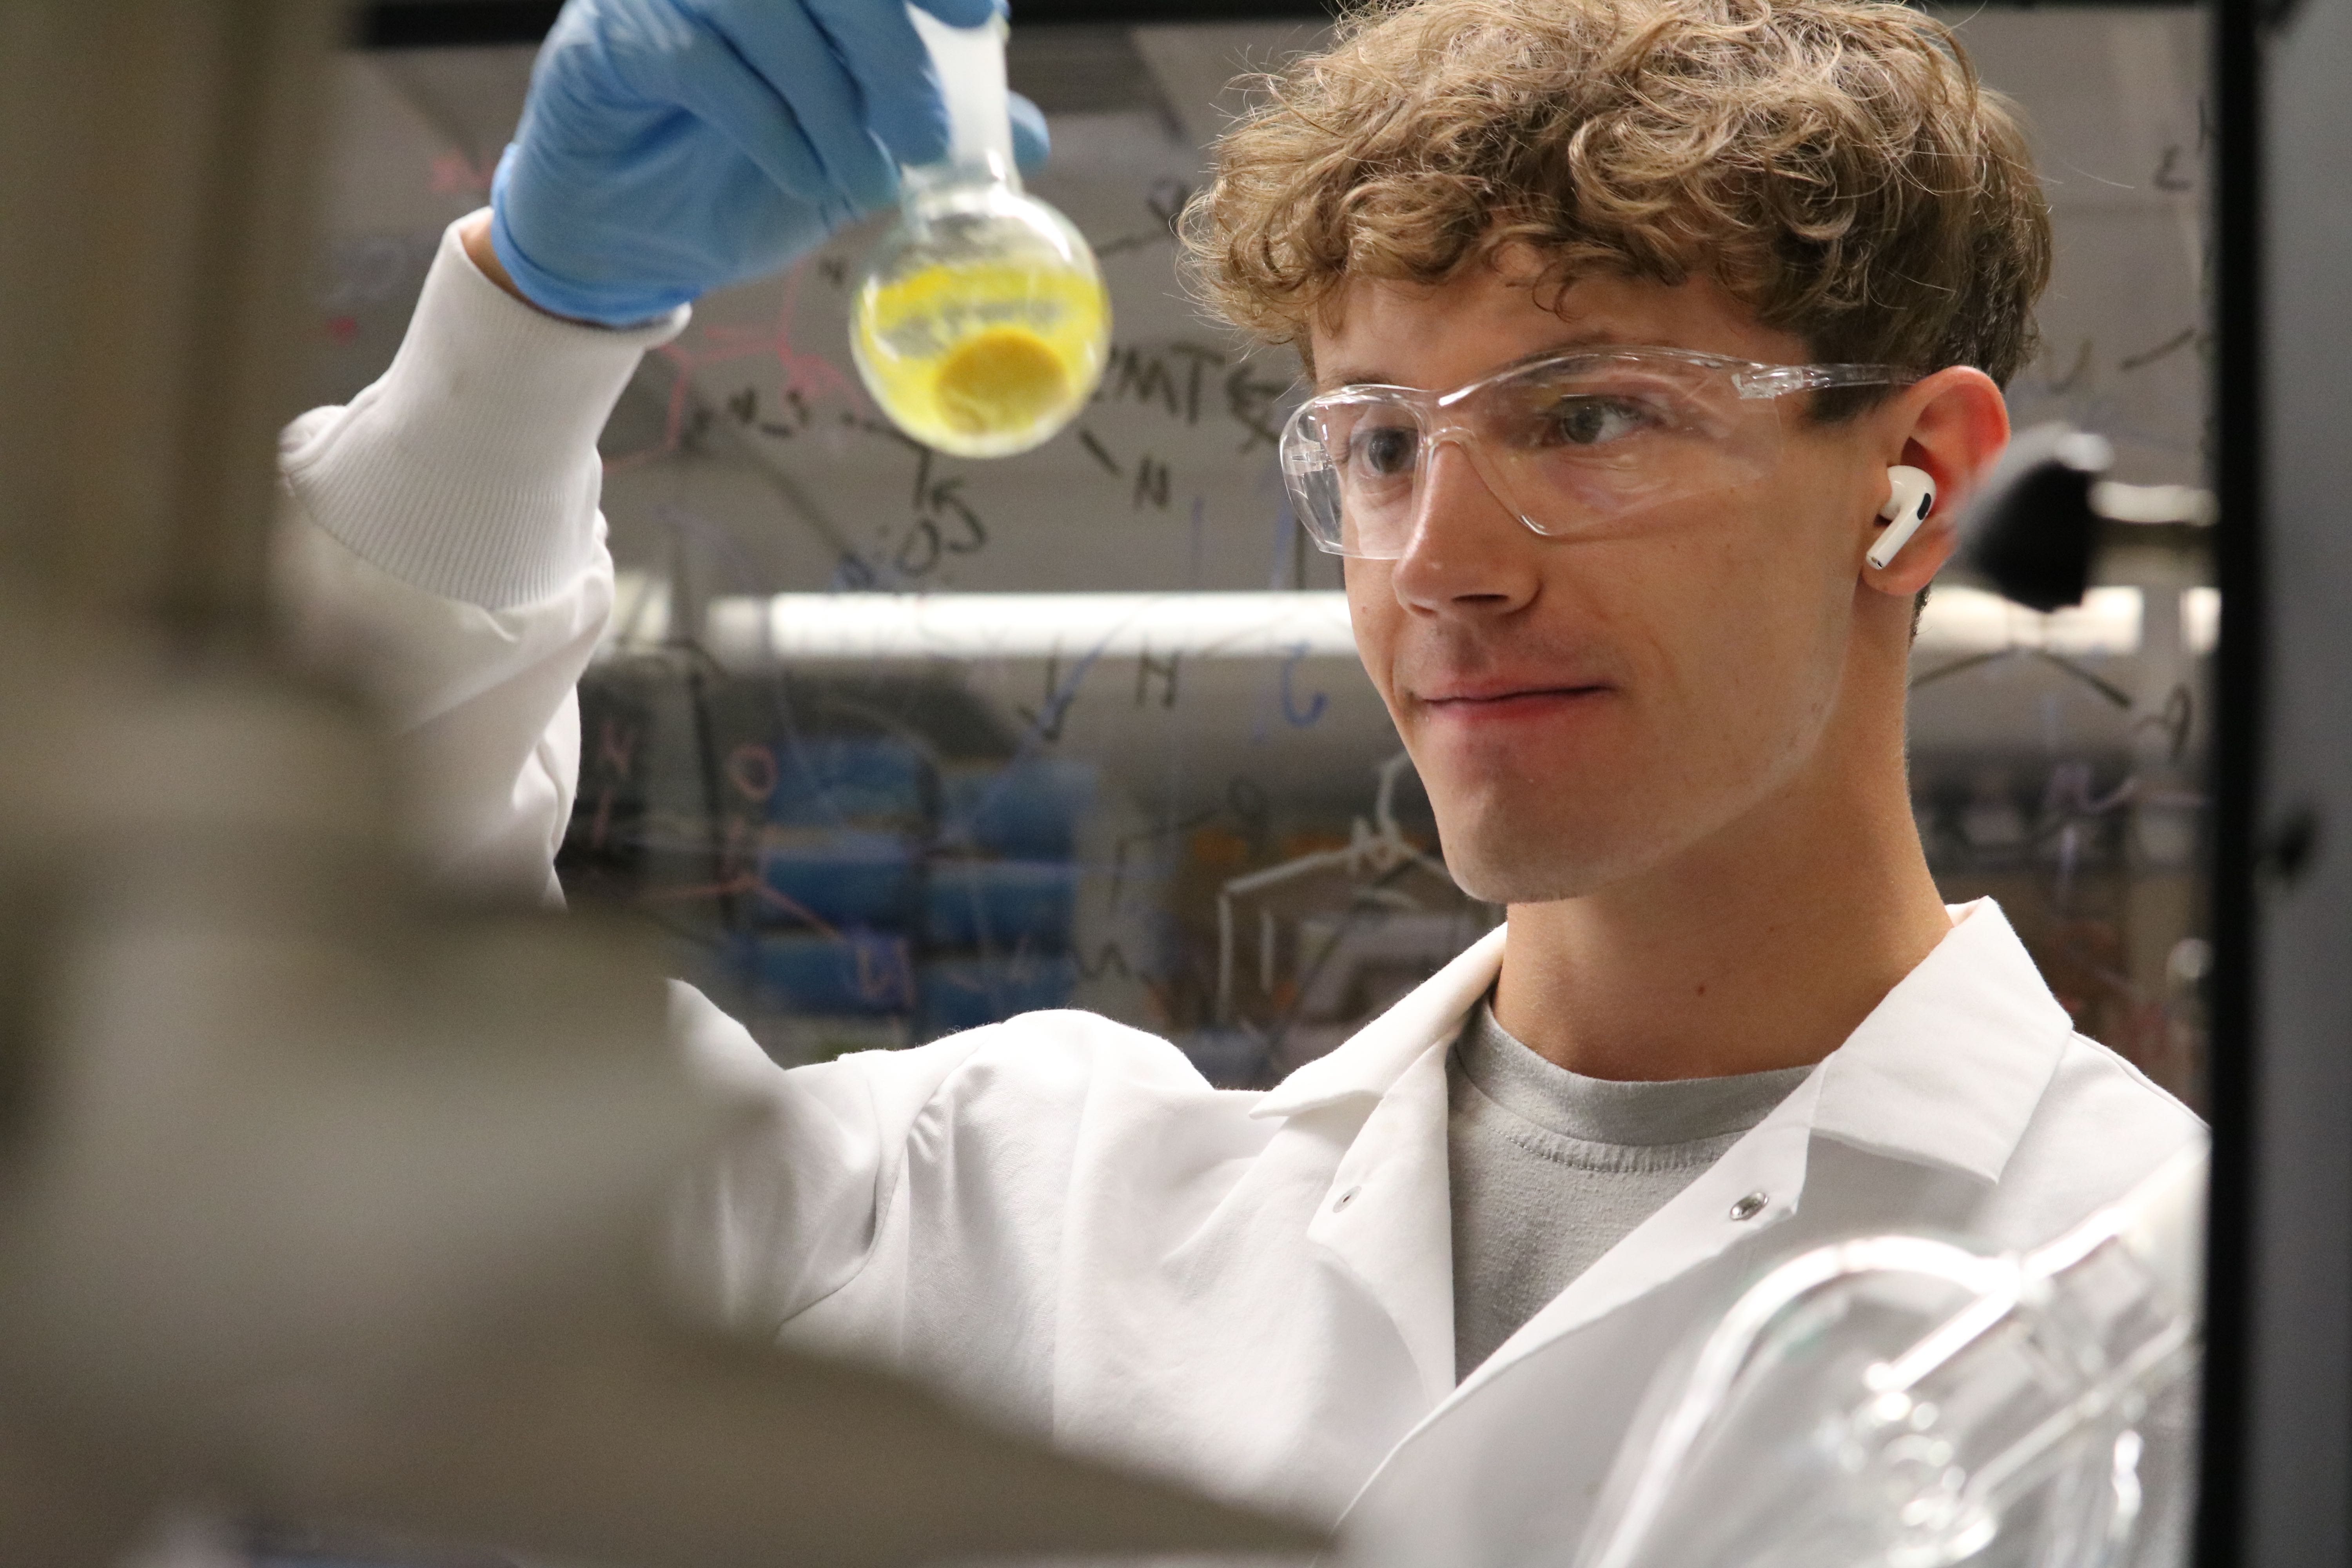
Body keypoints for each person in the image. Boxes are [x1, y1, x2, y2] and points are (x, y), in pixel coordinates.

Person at [272, 0, 2205, 1558]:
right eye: (1376, 444)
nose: (1443, 558)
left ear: (1917, 483)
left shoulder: (2188, 1297)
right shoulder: (1024, 1214)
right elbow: (292, 1101)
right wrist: (531, 330)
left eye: (1590, 415)